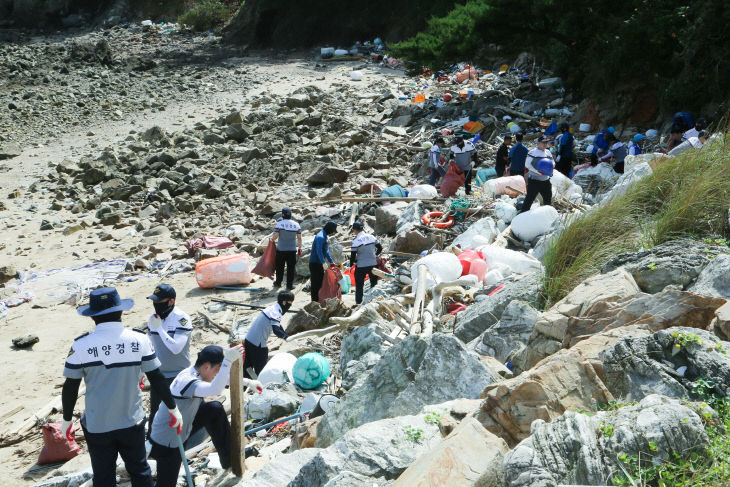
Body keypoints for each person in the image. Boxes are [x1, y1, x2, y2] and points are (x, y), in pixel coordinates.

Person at [62, 287, 181, 487]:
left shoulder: (81, 346)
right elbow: (157, 378)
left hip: (97, 425)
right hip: (131, 422)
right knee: (140, 471)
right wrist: (173, 408)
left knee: (103, 476)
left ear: (92, 317)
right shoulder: (139, 340)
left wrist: (66, 420)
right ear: (121, 312)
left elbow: (70, 387)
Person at [149, 345, 262, 487]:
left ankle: (229, 459)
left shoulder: (197, 373)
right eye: (217, 370)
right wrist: (227, 362)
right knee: (166, 484)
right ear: (207, 366)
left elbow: (220, 380)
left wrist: (248, 382)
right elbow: (215, 388)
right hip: (168, 439)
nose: (218, 374)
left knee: (214, 409)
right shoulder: (187, 379)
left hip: (184, 424)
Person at [144, 284, 192, 440]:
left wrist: (160, 330)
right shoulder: (154, 319)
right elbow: (149, 346)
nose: (156, 305)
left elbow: (176, 348)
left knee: (181, 412)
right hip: (158, 375)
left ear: (171, 301)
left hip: (179, 374)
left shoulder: (182, 319)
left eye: (159, 301)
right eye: (154, 301)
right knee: (155, 412)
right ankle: (152, 444)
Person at [243, 290, 293, 378]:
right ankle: (261, 387)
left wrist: (285, 334)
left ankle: (246, 387)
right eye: (290, 303)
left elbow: (277, 325)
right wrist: (286, 337)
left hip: (248, 340)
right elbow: (276, 330)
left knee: (248, 367)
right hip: (257, 344)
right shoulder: (276, 312)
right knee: (262, 370)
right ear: (284, 302)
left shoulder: (272, 308)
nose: (290, 306)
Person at [349, 221, 383, 305]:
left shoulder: (356, 241)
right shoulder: (371, 237)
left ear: (355, 230)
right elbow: (380, 248)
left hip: (361, 266)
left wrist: (351, 265)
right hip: (373, 264)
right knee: (374, 284)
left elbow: (352, 256)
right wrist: (375, 255)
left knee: (359, 286)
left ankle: (358, 303)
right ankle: (374, 301)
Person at [520, 135, 555, 213]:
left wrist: (551, 169)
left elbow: (552, 162)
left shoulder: (548, 152)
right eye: (543, 143)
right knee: (529, 199)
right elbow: (527, 164)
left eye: (546, 143)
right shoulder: (532, 152)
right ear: (538, 143)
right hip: (534, 180)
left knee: (547, 199)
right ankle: (522, 216)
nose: (545, 144)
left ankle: (547, 214)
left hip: (545, 180)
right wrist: (538, 171)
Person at [271, 207, 302, 290]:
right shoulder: (296, 224)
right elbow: (299, 238)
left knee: (279, 267)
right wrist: (300, 248)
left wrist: (271, 240)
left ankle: (278, 283)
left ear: (283, 215)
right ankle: (289, 285)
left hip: (281, 250)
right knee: (290, 268)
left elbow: (276, 235)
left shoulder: (280, 224)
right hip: (292, 250)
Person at [309, 220, 337, 303]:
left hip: (319, 263)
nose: (332, 232)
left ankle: (319, 300)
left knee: (320, 282)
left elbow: (326, 250)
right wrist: (323, 262)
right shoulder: (320, 237)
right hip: (315, 263)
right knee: (315, 284)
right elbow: (319, 251)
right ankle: (314, 302)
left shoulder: (324, 236)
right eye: (332, 231)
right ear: (329, 229)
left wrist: (331, 261)